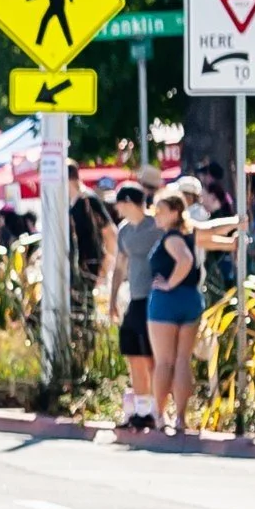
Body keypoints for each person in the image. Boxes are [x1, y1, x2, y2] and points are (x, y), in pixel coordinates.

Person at [145, 185, 204, 435]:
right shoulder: (189, 235)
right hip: (190, 299)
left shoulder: (171, 238)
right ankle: (180, 417)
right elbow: (211, 235)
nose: (156, 215)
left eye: (161, 210)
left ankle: (159, 415)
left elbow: (185, 260)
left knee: (164, 361)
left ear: (175, 212)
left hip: (167, 302)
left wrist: (169, 283)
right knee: (182, 360)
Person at [106, 184, 162, 431]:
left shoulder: (156, 225)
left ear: (128, 201)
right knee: (133, 353)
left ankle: (158, 410)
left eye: (119, 203)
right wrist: (112, 299)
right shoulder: (124, 230)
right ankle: (141, 410)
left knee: (153, 357)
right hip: (135, 298)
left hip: (157, 298)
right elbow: (119, 266)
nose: (116, 208)